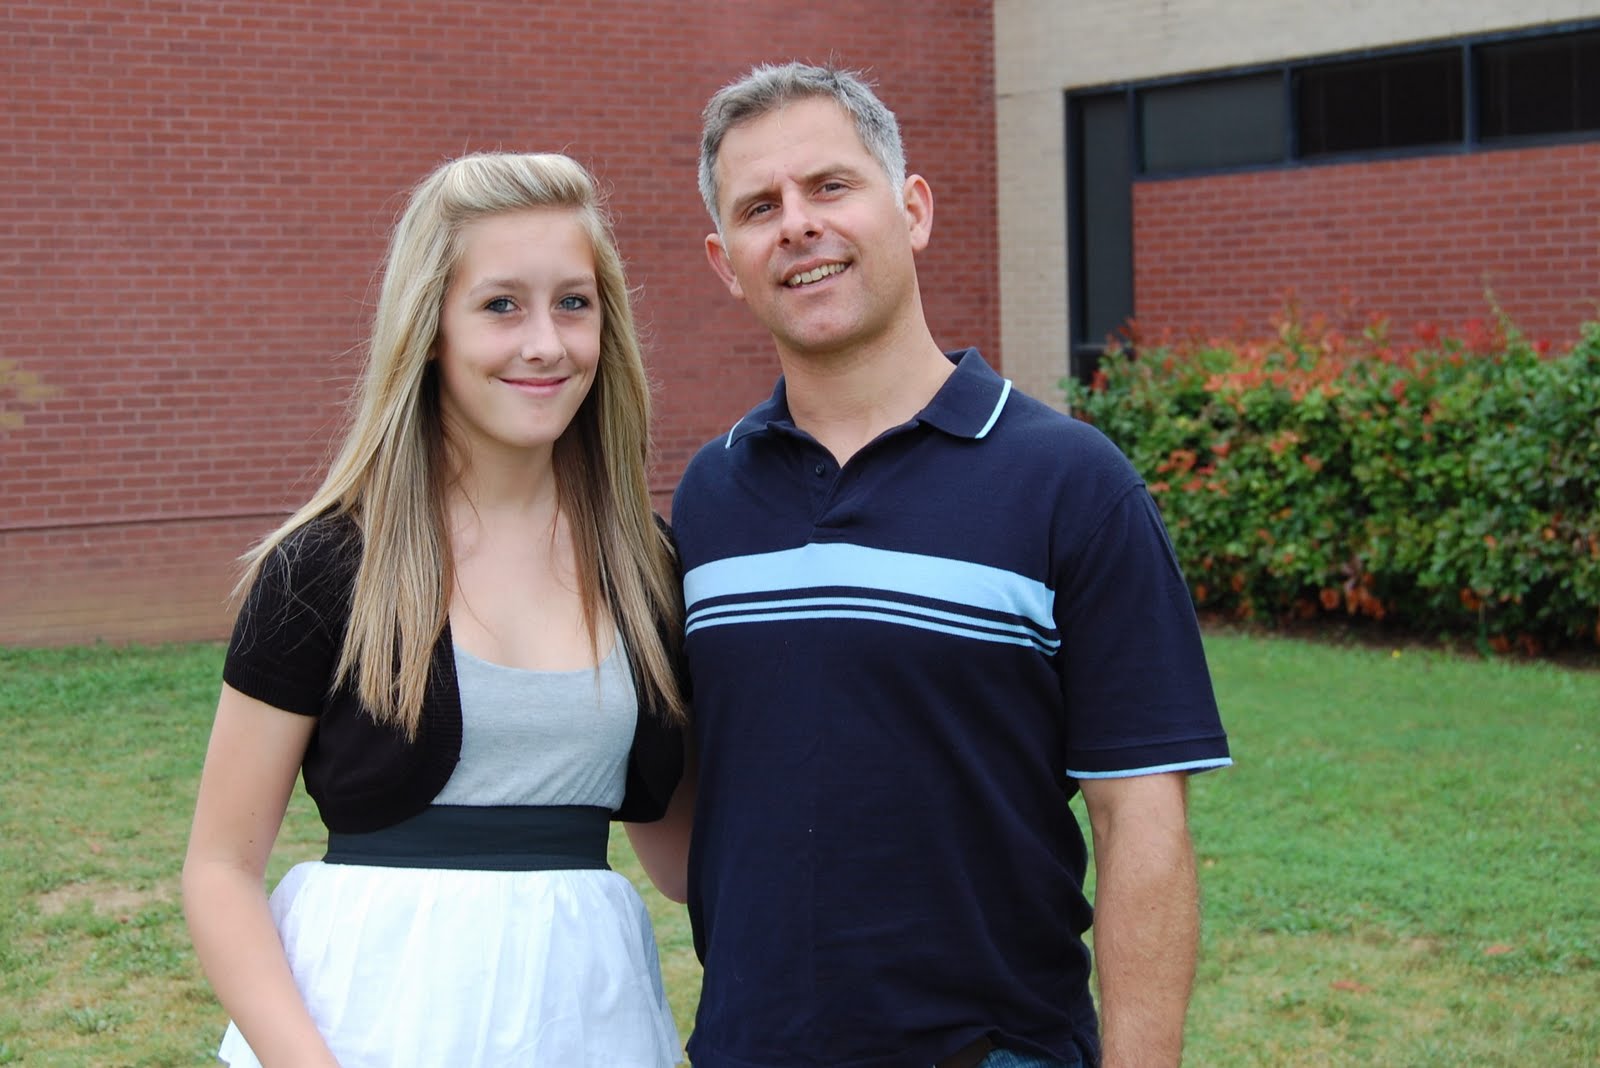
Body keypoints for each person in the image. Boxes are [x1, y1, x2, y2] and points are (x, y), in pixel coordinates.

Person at [661, 62, 1233, 1068]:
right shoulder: (709, 499)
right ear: (725, 262)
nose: (797, 224)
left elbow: (1140, 823)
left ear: (912, 209)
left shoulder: (1071, 484)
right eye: (760, 207)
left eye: (830, 186)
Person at [181, 151, 690, 1068]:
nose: (546, 343)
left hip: (589, 1026)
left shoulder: (647, 567)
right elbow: (218, 870)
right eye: (501, 305)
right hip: (368, 1026)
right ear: (430, 331)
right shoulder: (329, 566)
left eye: (574, 303)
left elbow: (684, 863)